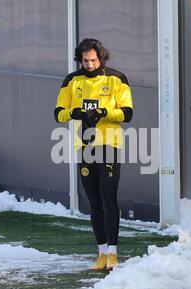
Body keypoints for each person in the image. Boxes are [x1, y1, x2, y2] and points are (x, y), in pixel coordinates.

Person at [54, 39, 133, 270]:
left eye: (93, 60)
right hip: (86, 147)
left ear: (101, 58)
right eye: (85, 60)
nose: (89, 64)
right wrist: (74, 112)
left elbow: (127, 114)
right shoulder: (72, 80)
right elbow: (58, 114)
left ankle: (113, 253)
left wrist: (104, 112)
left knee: (108, 196)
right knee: (94, 201)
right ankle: (100, 252)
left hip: (109, 145)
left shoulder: (117, 79)